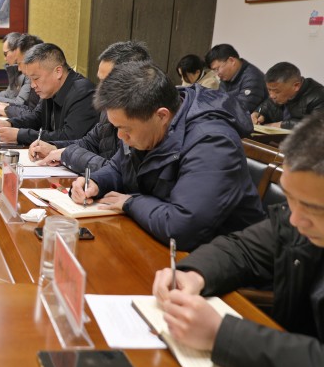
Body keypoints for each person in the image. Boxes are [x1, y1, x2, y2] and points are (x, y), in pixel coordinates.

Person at [151, 112, 324, 367]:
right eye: (291, 199)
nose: (295, 219)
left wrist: (220, 335)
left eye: (314, 209)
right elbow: (243, 248)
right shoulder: (300, 221)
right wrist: (194, 273)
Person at [70, 61, 264, 251]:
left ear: (161, 116)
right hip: (158, 239)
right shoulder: (147, 122)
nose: (120, 136)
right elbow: (119, 167)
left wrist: (130, 202)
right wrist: (96, 182)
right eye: (116, 128)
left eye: (125, 129)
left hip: (224, 256)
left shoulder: (212, 142)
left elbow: (183, 227)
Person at [29, 41, 150, 173]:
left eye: (108, 82)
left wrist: (68, 155)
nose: (100, 89)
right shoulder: (107, 110)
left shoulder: (144, 118)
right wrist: (54, 147)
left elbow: (118, 172)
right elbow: (89, 142)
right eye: (100, 81)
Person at [0, 42, 97, 146]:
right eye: (30, 79)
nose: (32, 85)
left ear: (58, 72)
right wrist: (10, 123)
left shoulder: (83, 92)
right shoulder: (50, 90)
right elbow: (37, 118)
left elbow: (70, 137)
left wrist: (20, 135)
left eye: (36, 78)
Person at [251, 61, 324, 129]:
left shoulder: (319, 96)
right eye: (269, 90)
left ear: (296, 86)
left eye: (277, 91)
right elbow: (266, 107)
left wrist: (281, 125)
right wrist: (258, 114)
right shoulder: (277, 93)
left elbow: (318, 124)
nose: (271, 95)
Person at [204, 43, 266, 113]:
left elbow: (241, 110)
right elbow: (218, 101)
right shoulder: (226, 77)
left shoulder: (252, 78)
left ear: (231, 61)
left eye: (217, 69)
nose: (217, 74)